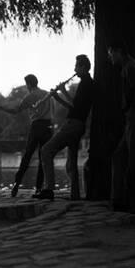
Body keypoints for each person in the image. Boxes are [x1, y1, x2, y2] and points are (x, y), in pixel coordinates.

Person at [36, 55, 94, 201]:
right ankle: (75, 194)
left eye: (76, 66)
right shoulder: (86, 83)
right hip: (77, 124)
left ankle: (49, 189)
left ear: (83, 67)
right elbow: (74, 107)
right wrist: (57, 98)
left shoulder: (86, 83)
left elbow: (76, 105)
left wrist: (64, 90)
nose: (74, 69)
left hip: (73, 125)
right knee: (71, 162)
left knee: (46, 150)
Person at [0, 74, 53, 198]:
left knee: (27, 155)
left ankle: (16, 184)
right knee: (43, 158)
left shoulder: (30, 96)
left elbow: (16, 110)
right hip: (48, 127)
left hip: (37, 126)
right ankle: (39, 188)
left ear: (29, 84)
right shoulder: (48, 94)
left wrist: (1, 108)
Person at [108, 42, 135, 214]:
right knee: (119, 156)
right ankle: (121, 199)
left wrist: (132, 109)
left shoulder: (130, 68)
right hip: (133, 116)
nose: (109, 57)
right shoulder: (129, 66)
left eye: (110, 53)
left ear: (119, 51)